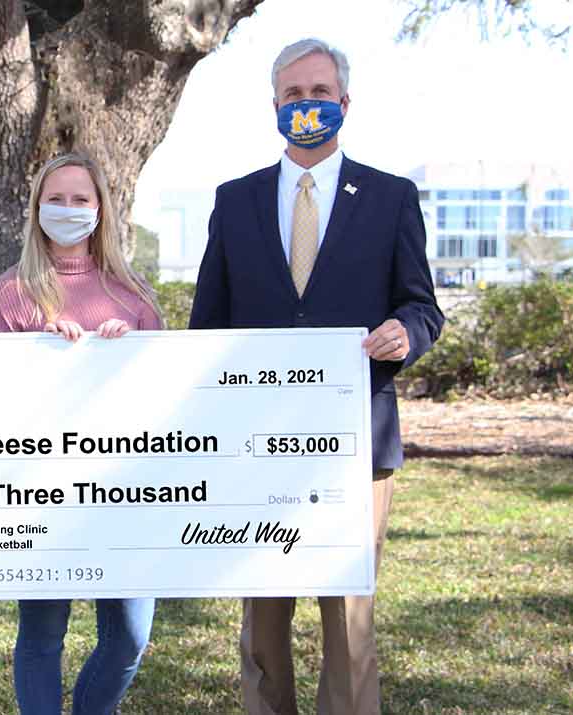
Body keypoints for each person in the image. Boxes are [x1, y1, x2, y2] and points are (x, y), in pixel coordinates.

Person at [188, 38, 444, 715]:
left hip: (357, 439)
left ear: (344, 103)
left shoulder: (390, 198)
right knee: (263, 620)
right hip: (257, 444)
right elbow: (207, 325)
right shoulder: (235, 200)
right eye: (294, 96)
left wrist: (405, 334)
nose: (307, 106)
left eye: (319, 93)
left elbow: (423, 306)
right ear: (275, 106)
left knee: (349, 618)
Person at [0, 153, 163, 714]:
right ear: (36, 209)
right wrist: (39, 352)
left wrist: (126, 353)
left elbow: (167, 396)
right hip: (39, 490)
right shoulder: (10, 295)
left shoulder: (135, 296)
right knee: (42, 634)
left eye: (81, 199)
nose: (68, 209)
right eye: (55, 198)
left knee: (128, 636)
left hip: (126, 488)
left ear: (102, 209)